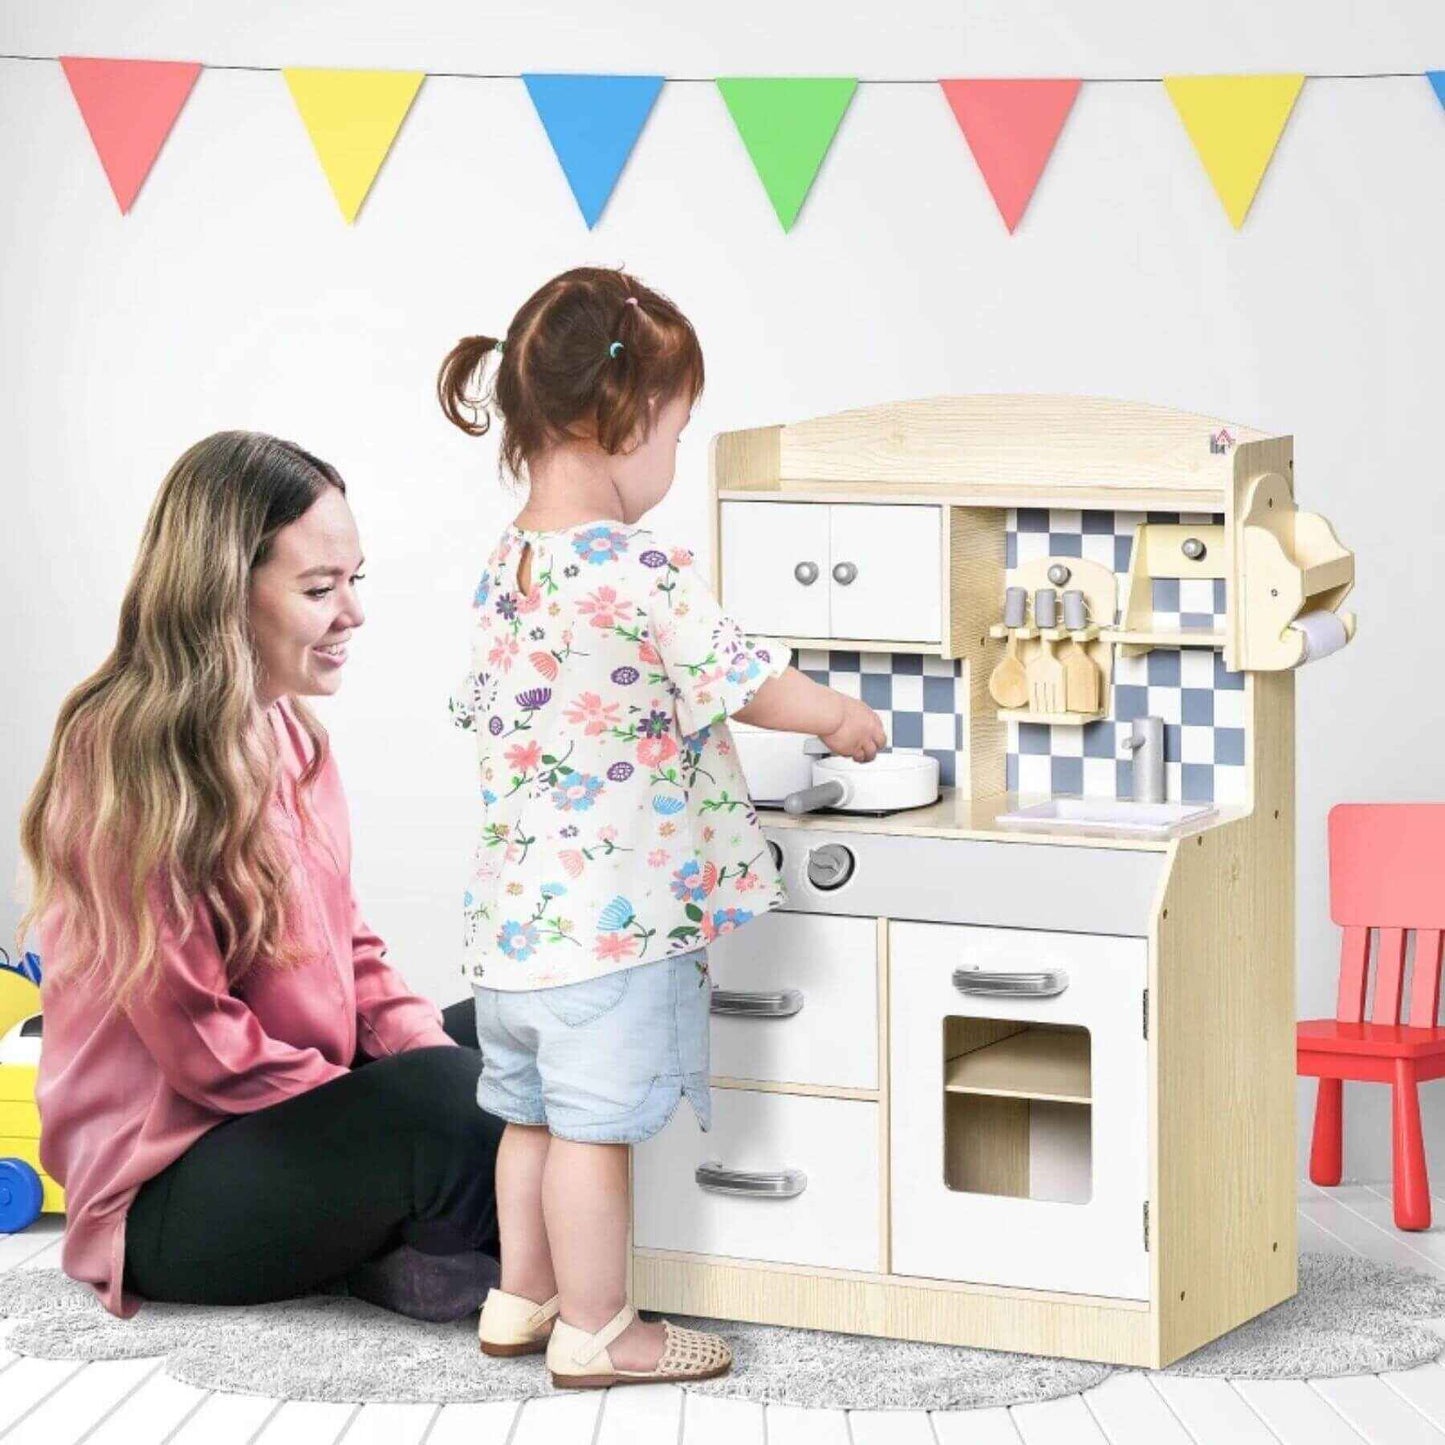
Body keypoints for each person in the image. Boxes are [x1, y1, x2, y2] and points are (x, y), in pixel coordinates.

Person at [437, 266, 885, 1387]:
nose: (673, 462)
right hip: (615, 926)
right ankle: (601, 1326)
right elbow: (747, 679)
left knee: (526, 1119)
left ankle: (519, 1294)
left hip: (512, 931)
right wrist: (837, 714)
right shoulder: (639, 566)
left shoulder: (508, 564)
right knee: (593, 1133)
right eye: (677, 433)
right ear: (623, 418)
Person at [18, 432, 504, 1323]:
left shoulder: (285, 731)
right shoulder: (126, 754)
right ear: (222, 595)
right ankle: (437, 1236)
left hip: (284, 1114)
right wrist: (410, 1100)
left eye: (356, 580)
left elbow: (351, 949)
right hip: (169, 1189)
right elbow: (200, 1046)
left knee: (516, 1032)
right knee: (453, 1102)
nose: (352, 611)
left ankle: (412, 1244)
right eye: (321, 589)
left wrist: (448, 1062)